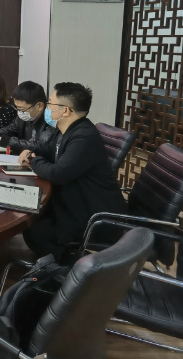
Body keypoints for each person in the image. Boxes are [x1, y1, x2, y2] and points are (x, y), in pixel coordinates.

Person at [18, 82, 127, 259]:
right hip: (74, 202)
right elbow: (48, 149)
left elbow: (57, 174)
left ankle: (79, 268)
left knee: (35, 234)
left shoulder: (84, 136)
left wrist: (32, 160)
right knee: (34, 217)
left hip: (93, 214)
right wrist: (32, 152)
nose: (47, 108)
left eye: (50, 103)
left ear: (66, 111)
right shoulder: (64, 130)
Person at [0, 80, 57, 152]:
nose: (20, 112)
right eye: (17, 108)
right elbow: (10, 128)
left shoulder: (51, 120)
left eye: (22, 109)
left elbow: (39, 146)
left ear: (39, 106)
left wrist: (2, 141)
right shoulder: (24, 116)